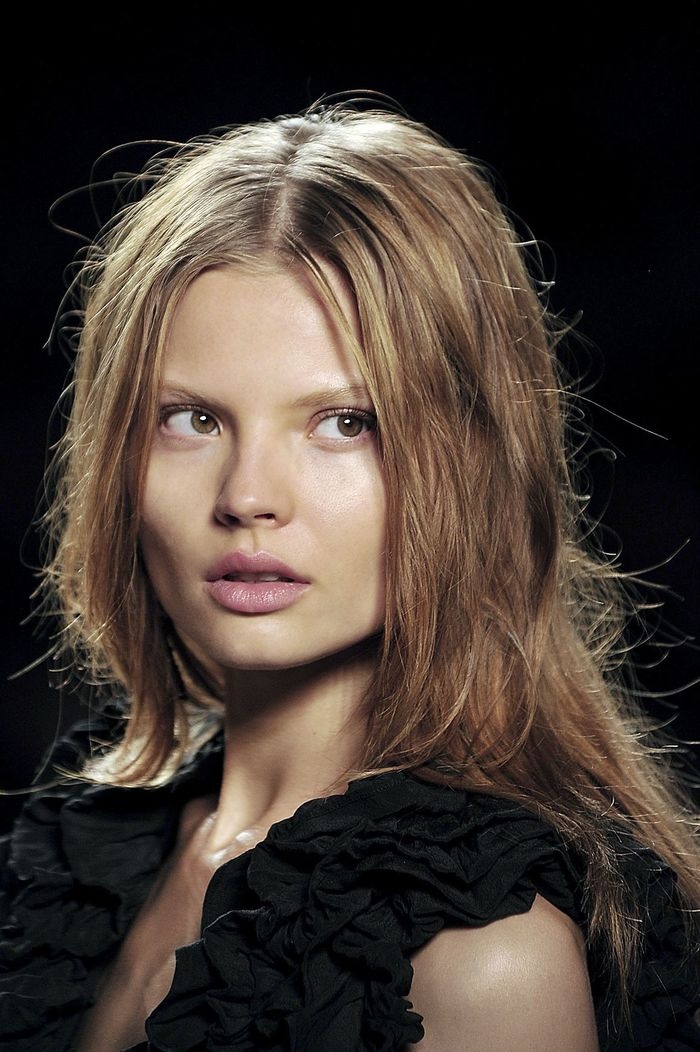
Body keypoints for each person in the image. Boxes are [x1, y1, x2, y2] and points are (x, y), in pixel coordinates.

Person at [0, 96, 698, 1052]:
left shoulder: (484, 953)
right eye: (192, 418)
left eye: (343, 423)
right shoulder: (83, 854)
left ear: (470, 461)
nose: (248, 496)